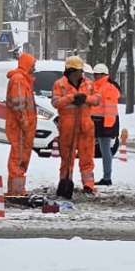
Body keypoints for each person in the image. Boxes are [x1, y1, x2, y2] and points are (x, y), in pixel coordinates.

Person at [50, 55, 97, 199]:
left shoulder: (88, 84)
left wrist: (85, 98)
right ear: (70, 71)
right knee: (67, 158)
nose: (80, 73)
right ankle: (65, 182)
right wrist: (72, 98)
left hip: (86, 126)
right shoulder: (60, 84)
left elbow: (97, 99)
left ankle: (89, 185)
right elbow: (56, 102)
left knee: (87, 158)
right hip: (68, 126)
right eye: (78, 70)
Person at [3, 51, 38, 198]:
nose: (34, 68)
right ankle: (16, 190)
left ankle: (17, 189)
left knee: (21, 157)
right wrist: (25, 123)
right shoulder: (19, 80)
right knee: (18, 157)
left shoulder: (23, 79)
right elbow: (18, 105)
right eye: (33, 65)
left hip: (22, 126)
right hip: (20, 127)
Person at [90, 64, 121, 184]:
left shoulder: (108, 88)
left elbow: (110, 109)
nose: (94, 76)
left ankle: (107, 178)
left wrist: (108, 127)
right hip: (98, 122)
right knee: (101, 149)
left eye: (96, 74)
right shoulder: (96, 86)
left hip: (105, 123)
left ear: (102, 75)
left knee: (105, 150)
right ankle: (104, 177)